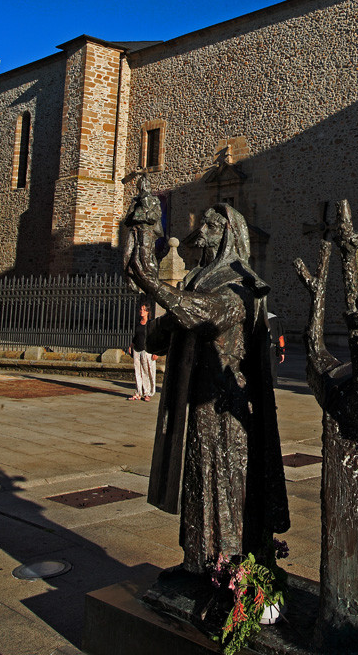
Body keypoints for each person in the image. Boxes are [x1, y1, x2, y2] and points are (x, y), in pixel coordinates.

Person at [125, 203, 289, 577]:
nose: (202, 234)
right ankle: (200, 562)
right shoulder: (196, 283)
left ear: (230, 235)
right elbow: (159, 337)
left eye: (213, 227)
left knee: (225, 481)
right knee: (200, 480)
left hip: (227, 408)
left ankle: (229, 566)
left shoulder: (242, 289)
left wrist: (153, 284)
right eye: (204, 226)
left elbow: (204, 315)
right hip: (199, 407)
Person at [128, 301, 157, 401]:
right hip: (137, 349)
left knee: (146, 371)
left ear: (148, 311)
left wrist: (156, 352)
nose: (142, 311)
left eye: (144, 310)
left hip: (146, 350)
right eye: (141, 309)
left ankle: (147, 393)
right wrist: (131, 345)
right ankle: (138, 392)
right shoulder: (138, 323)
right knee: (137, 371)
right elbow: (136, 336)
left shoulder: (151, 324)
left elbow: (154, 338)